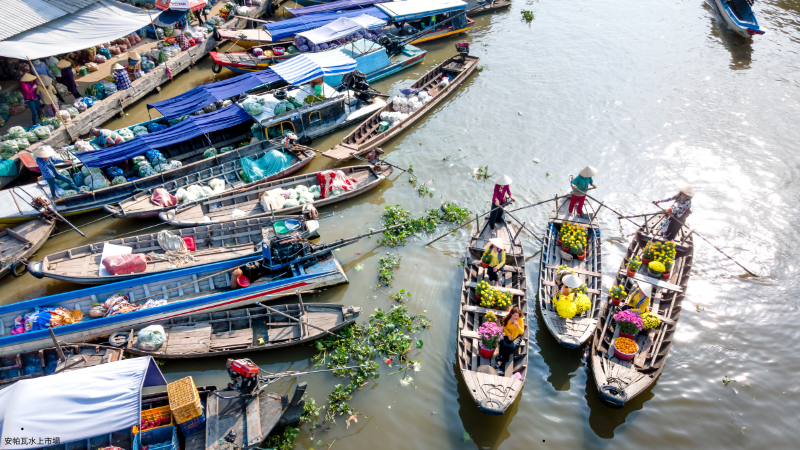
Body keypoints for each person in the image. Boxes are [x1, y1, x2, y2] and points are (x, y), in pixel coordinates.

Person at [494, 306, 525, 375]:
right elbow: (505, 328)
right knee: (503, 343)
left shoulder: (520, 320)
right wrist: (508, 335)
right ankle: (501, 355)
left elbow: (521, 332)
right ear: (511, 314)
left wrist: (518, 326)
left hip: (517, 336)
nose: (516, 317)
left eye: (517, 316)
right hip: (509, 335)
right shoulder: (506, 318)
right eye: (514, 316)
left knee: (511, 347)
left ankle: (500, 361)